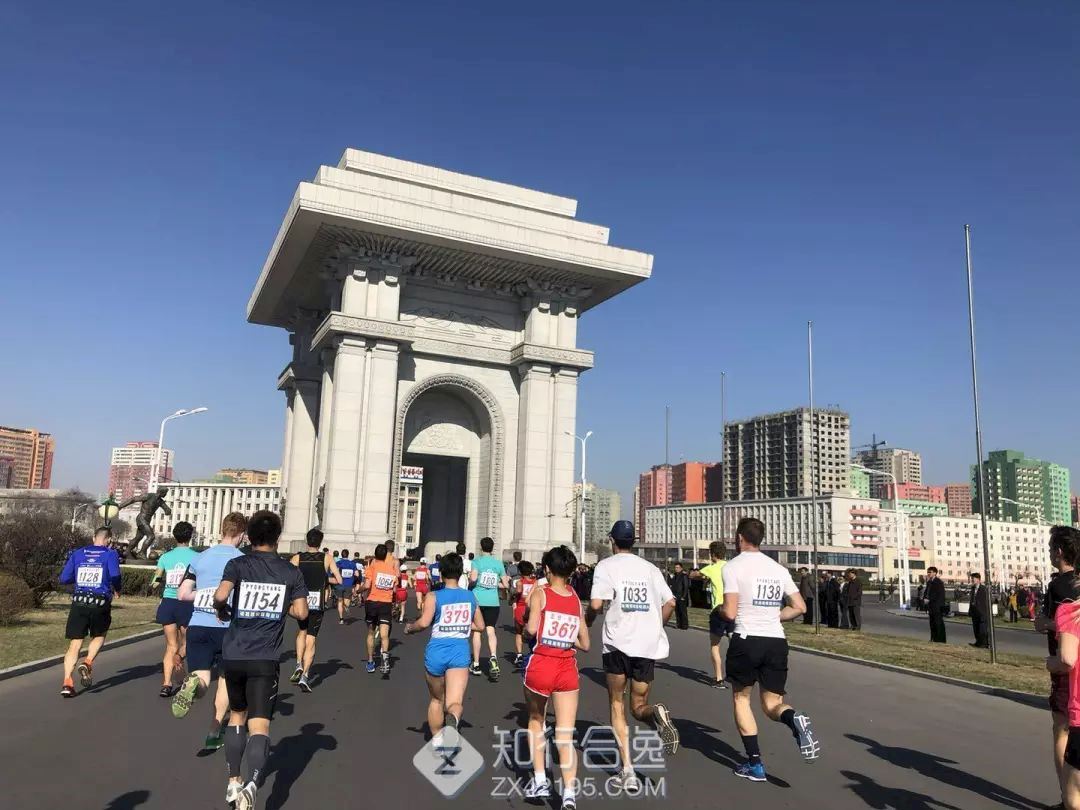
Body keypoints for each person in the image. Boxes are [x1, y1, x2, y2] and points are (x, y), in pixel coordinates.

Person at [213, 510, 308, 810]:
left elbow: (220, 595)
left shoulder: (237, 564)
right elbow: (303, 613)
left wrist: (222, 609)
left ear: (249, 536)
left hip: (234, 654)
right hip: (265, 658)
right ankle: (253, 784)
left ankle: (233, 782)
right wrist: (282, 608)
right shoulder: (290, 572)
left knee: (237, 716)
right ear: (278, 538)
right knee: (260, 726)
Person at [721, 517, 819, 782]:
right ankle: (793, 717)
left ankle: (755, 764)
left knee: (742, 699)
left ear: (740, 537)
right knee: (772, 703)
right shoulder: (778, 568)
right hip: (775, 641)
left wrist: (719, 610)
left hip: (746, 638)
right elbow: (800, 607)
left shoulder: (733, 567)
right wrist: (775, 615)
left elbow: (730, 611)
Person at [586, 520, 679, 792]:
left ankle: (627, 769)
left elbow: (595, 604)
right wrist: (656, 625)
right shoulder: (650, 569)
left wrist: (589, 618)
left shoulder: (606, 566)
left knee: (617, 703)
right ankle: (657, 713)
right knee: (639, 707)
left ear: (612, 541)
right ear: (633, 542)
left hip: (617, 644)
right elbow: (671, 601)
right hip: (646, 645)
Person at [173, 512, 247, 750]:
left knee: (202, 678)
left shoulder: (200, 558)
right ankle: (215, 728)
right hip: (227, 628)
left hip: (198, 625)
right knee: (225, 680)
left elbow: (182, 594)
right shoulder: (241, 560)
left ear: (222, 530)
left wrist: (205, 595)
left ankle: (192, 684)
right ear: (242, 535)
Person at [522, 545, 590, 806]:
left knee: (536, 721)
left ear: (547, 570)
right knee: (564, 735)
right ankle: (569, 795)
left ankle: (540, 780)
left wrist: (530, 632)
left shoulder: (541, 593)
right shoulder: (574, 599)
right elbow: (585, 644)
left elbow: (531, 628)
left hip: (541, 665)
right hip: (567, 669)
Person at [405, 553, 482, 743]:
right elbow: (480, 626)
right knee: (454, 702)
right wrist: (463, 625)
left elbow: (423, 623)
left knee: (436, 700)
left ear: (441, 573)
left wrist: (410, 628)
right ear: (460, 573)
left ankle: (438, 739)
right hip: (459, 652)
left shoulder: (433, 596)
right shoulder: (470, 596)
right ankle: (453, 718)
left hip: (436, 651)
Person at [1040, 527, 1080, 807]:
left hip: (1066, 665)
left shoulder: (1060, 586)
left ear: (1059, 551)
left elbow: (1066, 625)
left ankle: (1068, 797)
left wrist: (1047, 623)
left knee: (1062, 729)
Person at [58, 526, 122, 697]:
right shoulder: (110, 554)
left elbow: (64, 578)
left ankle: (67, 682)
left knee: (75, 643)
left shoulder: (78, 553)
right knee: (100, 635)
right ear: (109, 540)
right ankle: (87, 662)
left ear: (94, 537)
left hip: (79, 601)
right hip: (99, 601)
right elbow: (115, 576)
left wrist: (78, 577)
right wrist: (117, 589)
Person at [289, 528, 342, 692]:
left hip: (301, 599)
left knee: (302, 631)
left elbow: (288, 576)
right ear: (320, 542)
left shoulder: (297, 558)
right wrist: (326, 579)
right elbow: (338, 580)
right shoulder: (326, 558)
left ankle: (298, 662)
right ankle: (305, 675)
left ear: (307, 541)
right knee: (311, 638)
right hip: (317, 602)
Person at [152, 522, 200, 697]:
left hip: (168, 603)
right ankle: (180, 661)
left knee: (170, 645)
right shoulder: (197, 557)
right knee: (187, 643)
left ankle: (166, 683)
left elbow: (155, 579)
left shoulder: (165, 557)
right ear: (191, 536)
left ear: (175, 536)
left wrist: (157, 582)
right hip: (187, 603)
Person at [690, 541, 731, 689]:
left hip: (718, 610)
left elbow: (695, 575)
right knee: (735, 644)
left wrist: (696, 573)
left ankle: (719, 678)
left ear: (713, 554)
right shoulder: (731, 567)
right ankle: (737, 674)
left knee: (715, 645)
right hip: (733, 608)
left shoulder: (712, 568)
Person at [469, 536, 509, 679]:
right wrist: (494, 584)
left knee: (478, 632)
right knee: (490, 630)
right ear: (492, 548)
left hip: (478, 600)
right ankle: (493, 656)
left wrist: (471, 581)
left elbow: (473, 579)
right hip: (493, 602)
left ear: (481, 547)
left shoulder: (477, 562)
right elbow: (506, 585)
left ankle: (476, 663)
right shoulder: (498, 564)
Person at [362, 543, 397, 674]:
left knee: (371, 633)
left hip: (372, 603)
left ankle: (371, 661)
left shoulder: (372, 567)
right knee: (384, 635)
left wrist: (359, 591)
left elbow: (367, 585)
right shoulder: (391, 569)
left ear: (375, 555)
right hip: (386, 604)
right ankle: (385, 658)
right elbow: (394, 589)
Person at [512, 560, 538, 667]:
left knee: (518, 632)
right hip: (532, 609)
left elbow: (517, 593)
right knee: (533, 633)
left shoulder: (519, 582)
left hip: (520, 607)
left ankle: (519, 655)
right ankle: (534, 652)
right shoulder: (535, 582)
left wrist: (512, 596)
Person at [925, 566, 947, 643]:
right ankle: (933, 638)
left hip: (937, 607)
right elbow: (927, 592)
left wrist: (929, 599)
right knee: (932, 623)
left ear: (934, 573)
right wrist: (925, 598)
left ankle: (940, 640)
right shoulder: (929, 582)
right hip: (931, 606)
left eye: (930, 572)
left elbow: (939, 595)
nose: (928, 574)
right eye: (928, 572)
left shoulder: (938, 582)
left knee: (938, 623)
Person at [968, 573, 990, 648]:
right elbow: (971, 600)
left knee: (982, 629)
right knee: (976, 628)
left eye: (973, 579)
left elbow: (987, 601)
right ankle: (978, 642)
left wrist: (984, 611)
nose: (972, 580)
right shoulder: (973, 588)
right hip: (974, 612)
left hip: (982, 612)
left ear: (978, 579)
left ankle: (984, 644)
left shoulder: (984, 589)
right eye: (972, 579)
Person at [336, 551, 358, 623]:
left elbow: (334, 571)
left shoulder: (339, 563)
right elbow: (357, 574)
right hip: (349, 585)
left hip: (340, 584)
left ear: (341, 555)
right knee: (346, 602)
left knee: (339, 602)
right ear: (348, 555)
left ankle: (341, 619)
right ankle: (346, 606)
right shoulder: (352, 563)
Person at [670, 562, 691, 630]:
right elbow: (673, 584)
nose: (676, 569)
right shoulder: (675, 576)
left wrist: (683, 596)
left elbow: (686, 586)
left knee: (683, 611)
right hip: (675, 596)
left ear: (681, 568)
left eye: (678, 568)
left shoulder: (684, 576)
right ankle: (678, 624)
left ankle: (684, 625)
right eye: (675, 567)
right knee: (677, 611)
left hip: (681, 596)